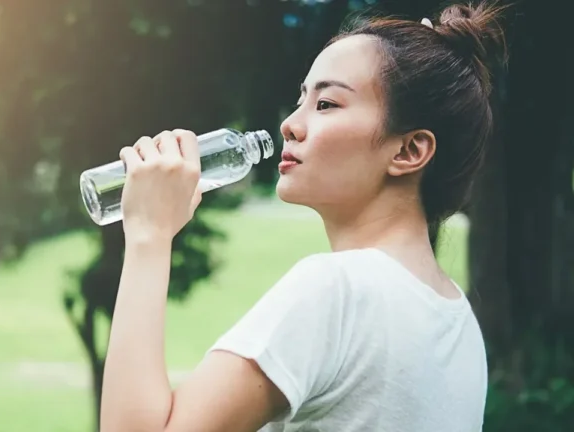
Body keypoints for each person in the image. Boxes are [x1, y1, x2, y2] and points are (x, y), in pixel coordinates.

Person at [99, 2, 507, 431]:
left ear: (409, 151)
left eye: (327, 103)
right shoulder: (458, 322)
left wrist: (149, 236)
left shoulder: (338, 290)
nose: (291, 125)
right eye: (301, 99)